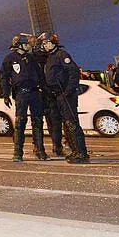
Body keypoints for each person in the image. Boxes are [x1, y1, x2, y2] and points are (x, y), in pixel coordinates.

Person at [39, 33, 90, 164]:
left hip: (66, 94)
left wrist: (68, 90)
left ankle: (81, 153)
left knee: (72, 123)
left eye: (46, 43)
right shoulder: (50, 57)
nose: (44, 45)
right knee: (67, 124)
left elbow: (73, 72)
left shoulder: (62, 55)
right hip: (58, 94)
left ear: (53, 42)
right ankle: (75, 150)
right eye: (43, 44)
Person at [1, 34, 49, 161]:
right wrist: (6, 95)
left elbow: (40, 75)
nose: (29, 45)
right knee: (20, 122)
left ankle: (40, 150)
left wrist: (44, 90)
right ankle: (18, 152)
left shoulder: (31, 58)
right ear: (20, 45)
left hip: (35, 92)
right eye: (27, 44)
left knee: (38, 121)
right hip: (22, 93)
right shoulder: (9, 59)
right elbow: (5, 78)